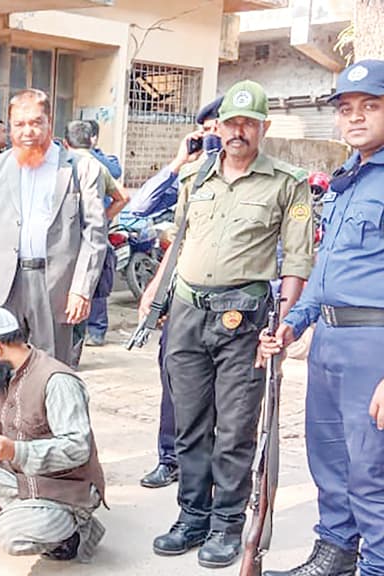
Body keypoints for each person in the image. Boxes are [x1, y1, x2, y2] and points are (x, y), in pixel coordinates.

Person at [139, 80, 313, 568]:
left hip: (244, 321)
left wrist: (283, 323)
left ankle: (227, 523)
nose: (238, 132)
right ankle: (192, 515)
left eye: (248, 123)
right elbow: (179, 241)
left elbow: (297, 260)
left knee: (235, 429)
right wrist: (157, 290)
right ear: (218, 127)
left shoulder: (286, 182)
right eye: (231, 123)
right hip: (188, 314)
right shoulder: (196, 179)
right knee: (191, 423)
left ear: (263, 127)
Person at [259, 59, 384, 576]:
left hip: (373, 347)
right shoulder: (343, 180)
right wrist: (294, 322)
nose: (355, 118)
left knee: (371, 470)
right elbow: (325, 268)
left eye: (371, 107)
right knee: (329, 457)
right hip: (330, 339)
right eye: (347, 109)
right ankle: (334, 552)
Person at [0, 89, 107, 366]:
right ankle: (3, 412)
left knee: (50, 368)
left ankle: (43, 411)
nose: (28, 131)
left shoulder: (79, 169)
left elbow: (94, 234)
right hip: (3, 283)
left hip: (54, 284)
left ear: (49, 121)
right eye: (19, 124)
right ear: (10, 126)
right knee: (0, 368)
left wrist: (81, 288)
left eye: (35, 122)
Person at [0, 307, 106, 563]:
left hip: (64, 490)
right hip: (23, 477)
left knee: (9, 535)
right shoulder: (0, 375)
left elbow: (77, 447)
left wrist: (15, 450)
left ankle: (74, 532)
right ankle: (12, 509)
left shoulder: (57, 381)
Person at [137, 95, 222, 490]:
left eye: (218, 129)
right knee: (173, 376)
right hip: (184, 297)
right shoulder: (192, 177)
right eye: (205, 132)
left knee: (224, 393)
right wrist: (179, 161)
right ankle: (170, 458)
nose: (213, 138)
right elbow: (139, 207)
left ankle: (213, 468)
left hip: (232, 305)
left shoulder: (266, 179)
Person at [64, 120, 127, 355]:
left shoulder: (61, 164)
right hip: (92, 235)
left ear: (65, 142)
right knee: (90, 287)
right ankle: (83, 345)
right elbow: (123, 197)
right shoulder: (99, 166)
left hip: (64, 238)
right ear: (91, 140)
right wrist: (104, 220)